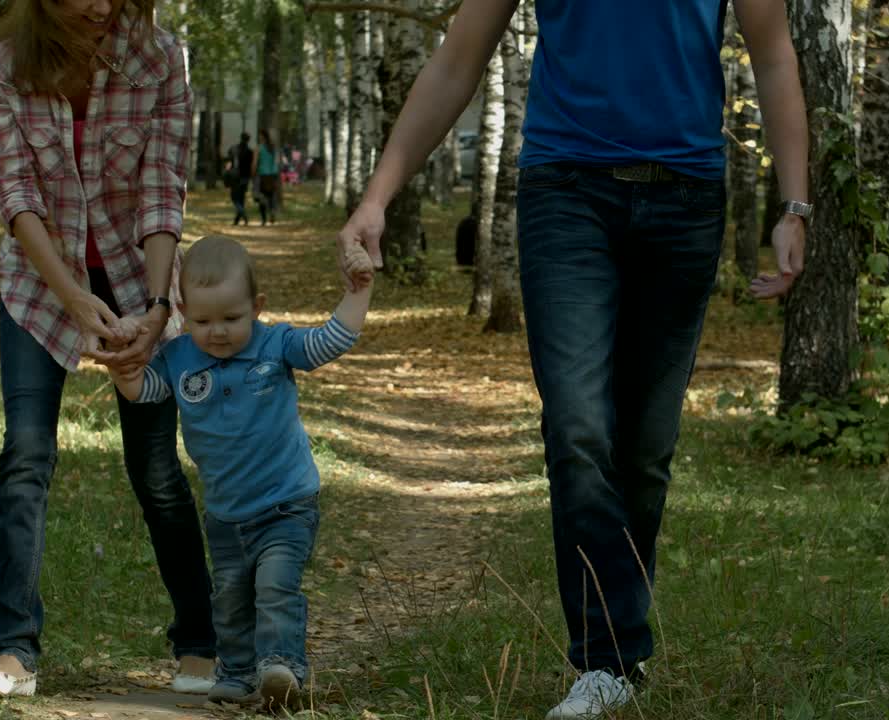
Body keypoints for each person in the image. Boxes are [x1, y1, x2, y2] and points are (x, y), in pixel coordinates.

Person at [335, 0, 809, 717]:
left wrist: (795, 204)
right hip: (566, 194)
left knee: (645, 449)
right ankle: (607, 659)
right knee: (579, 426)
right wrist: (377, 197)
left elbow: (773, 56)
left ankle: (618, 654)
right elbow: (458, 59)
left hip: (685, 201)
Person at [0, 0, 218, 699]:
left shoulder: (159, 59)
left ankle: (201, 643)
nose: (102, 5)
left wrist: (158, 309)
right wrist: (73, 297)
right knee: (26, 455)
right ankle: (13, 652)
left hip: (140, 282)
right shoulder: (3, 63)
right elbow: (16, 195)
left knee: (156, 469)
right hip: (41, 285)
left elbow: (162, 191)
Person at [101, 236, 375, 710]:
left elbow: (330, 340)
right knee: (228, 599)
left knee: (274, 587)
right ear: (183, 313)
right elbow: (145, 392)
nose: (218, 332)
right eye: (203, 321)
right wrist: (121, 366)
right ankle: (238, 672)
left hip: (287, 503)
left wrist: (359, 291)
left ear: (257, 307)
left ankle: (281, 666)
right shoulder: (179, 357)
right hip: (226, 513)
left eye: (232, 318)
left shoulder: (275, 345)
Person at [253, 129, 280, 226]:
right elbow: (277, 161)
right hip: (273, 175)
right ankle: (272, 212)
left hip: (262, 175)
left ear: (262, 137)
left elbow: (254, 163)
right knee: (272, 196)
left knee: (260, 196)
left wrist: (253, 173)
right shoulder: (273, 148)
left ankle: (264, 219)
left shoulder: (258, 148)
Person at [228, 132, 254, 225]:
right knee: (241, 198)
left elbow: (229, 161)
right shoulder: (250, 152)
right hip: (245, 177)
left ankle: (242, 214)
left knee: (234, 198)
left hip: (236, 176)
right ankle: (237, 220)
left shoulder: (234, 149)